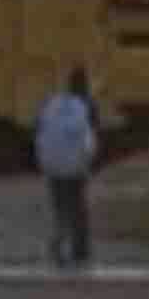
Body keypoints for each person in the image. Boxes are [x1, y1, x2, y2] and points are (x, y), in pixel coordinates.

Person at [32, 64, 101, 271]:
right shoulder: (87, 105)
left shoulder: (52, 103)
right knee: (78, 205)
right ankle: (80, 251)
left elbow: (39, 128)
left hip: (51, 161)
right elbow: (93, 134)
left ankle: (59, 242)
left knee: (60, 206)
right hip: (75, 164)